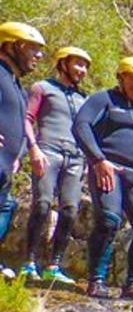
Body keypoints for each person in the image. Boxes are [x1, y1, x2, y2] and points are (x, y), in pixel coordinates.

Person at [72, 56, 133, 299]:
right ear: (121, 77)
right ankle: (96, 281)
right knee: (108, 221)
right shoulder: (103, 99)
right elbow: (81, 126)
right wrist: (98, 160)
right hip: (109, 169)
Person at [22, 44, 88, 284]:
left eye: (85, 66)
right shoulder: (42, 88)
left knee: (70, 210)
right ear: (63, 63)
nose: (82, 70)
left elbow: (86, 131)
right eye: (78, 64)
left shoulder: (84, 98)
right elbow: (27, 119)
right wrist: (33, 148)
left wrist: (89, 158)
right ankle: (28, 262)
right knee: (42, 204)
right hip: (47, 150)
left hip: (75, 157)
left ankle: (54, 265)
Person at [0, 21, 46, 279]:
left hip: (5, 165)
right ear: (12, 46)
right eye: (33, 49)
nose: (39, 56)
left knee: (5, 206)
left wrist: (17, 155)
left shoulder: (16, 84)